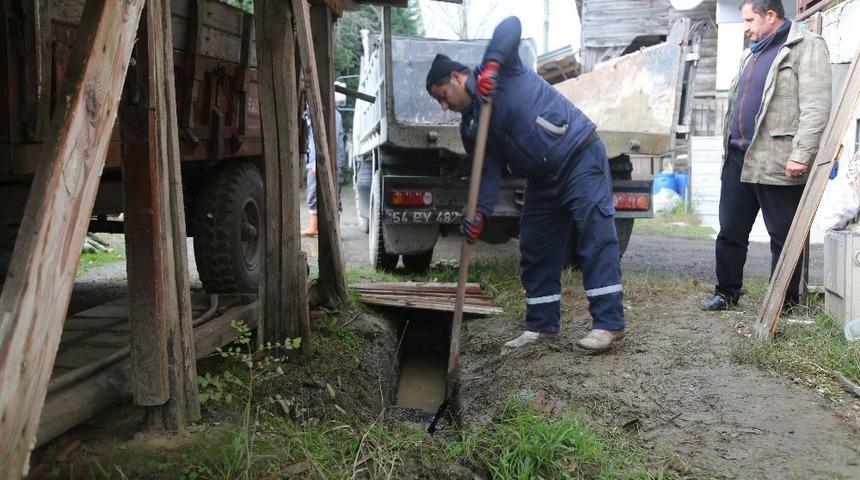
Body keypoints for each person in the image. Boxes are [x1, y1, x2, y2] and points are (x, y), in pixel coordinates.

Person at [425, 16, 625, 352]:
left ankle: (608, 324)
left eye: (443, 95)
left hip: (578, 154)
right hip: (542, 179)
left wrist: (490, 66)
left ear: (458, 77)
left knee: (594, 235)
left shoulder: (504, 68)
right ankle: (541, 326)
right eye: (439, 103)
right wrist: (478, 214)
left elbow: (511, 25)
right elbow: (486, 173)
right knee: (535, 248)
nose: (444, 106)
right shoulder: (470, 127)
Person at [701, 0, 832, 311]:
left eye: (749, 20)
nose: (746, 28)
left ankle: (782, 305)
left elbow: (816, 107)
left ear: (771, 16)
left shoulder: (805, 47)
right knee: (730, 230)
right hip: (738, 156)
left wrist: (801, 153)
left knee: (783, 236)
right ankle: (727, 292)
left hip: (778, 157)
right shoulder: (752, 53)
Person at [301, 107, 346, 237]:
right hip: (320, 160)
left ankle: (327, 229)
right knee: (315, 194)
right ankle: (316, 227)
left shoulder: (331, 113)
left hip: (328, 161)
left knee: (329, 195)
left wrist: (318, 161)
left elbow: (332, 139)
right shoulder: (313, 112)